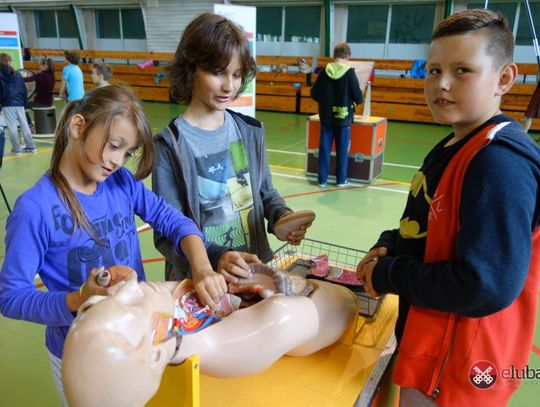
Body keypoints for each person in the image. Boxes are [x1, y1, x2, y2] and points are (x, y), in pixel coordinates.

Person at [356, 9, 540, 406]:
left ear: (504, 79)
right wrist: (392, 243)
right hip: (431, 349)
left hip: (457, 370)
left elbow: (485, 284)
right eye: (433, 70)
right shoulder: (454, 143)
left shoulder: (500, 163)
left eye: (462, 71)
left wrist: (391, 274)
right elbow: (428, 226)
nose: (442, 84)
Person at [0, 85, 227, 406]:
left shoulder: (120, 182)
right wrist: (80, 299)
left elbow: (176, 222)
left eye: (128, 153)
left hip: (138, 338)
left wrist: (202, 268)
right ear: (78, 127)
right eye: (115, 146)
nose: (118, 161)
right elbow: (10, 297)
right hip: (82, 354)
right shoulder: (34, 209)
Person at [153, 13, 313, 282]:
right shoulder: (171, 145)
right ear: (191, 69)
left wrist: (281, 219)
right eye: (218, 73)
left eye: (237, 75)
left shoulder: (249, 132)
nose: (229, 86)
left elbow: (266, 193)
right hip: (202, 282)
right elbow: (168, 230)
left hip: (255, 272)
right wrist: (216, 257)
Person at [62, 267, 359, 407]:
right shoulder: (237, 340)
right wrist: (291, 293)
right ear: (154, 354)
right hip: (332, 312)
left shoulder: (161, 320)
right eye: (131, 306)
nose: (132, 286)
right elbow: (331, 309)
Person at [310, 43, 363, 187]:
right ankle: (341, 179)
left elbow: (313, 93)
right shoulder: (350, 73)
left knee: (324, 149)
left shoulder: (323, 71)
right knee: (342, 151)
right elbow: (358, 98)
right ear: (347, 57)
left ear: (334, 56)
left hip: (326, 118)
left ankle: (322, 180)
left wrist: (326, 101)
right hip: (343, 119)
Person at [0, 53, 37, 154]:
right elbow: (24, 90)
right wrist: (25, 104)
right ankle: (31, 146)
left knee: (12, 126)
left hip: (7, 103)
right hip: (20, 102)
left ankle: (16, 149)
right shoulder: (18, 74)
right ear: (9, 62)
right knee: (24, 125)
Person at [23, 56, 56, 132]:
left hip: (40, 103)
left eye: (40, 65)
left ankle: (30, 125)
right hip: (49, 102)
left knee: (22, 106)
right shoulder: (52, 76)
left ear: (45, 66)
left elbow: (27, 79)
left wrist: (18, 76)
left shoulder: (41, 76)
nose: (38, 66)